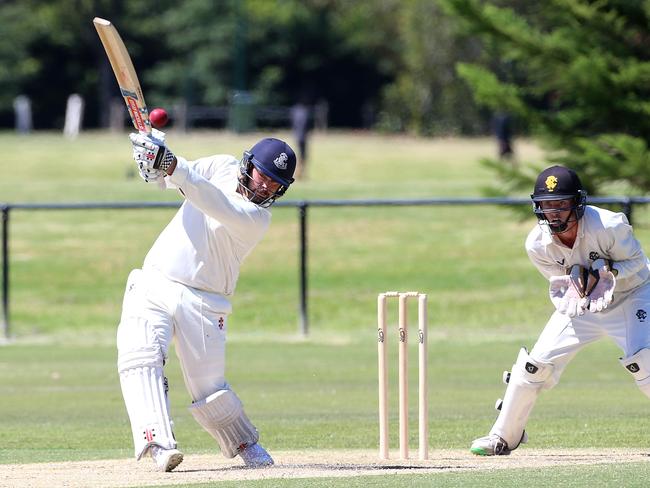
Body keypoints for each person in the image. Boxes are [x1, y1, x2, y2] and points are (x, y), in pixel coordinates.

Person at [117, 128, 296, 471]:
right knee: (139, 354)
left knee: (208, 387)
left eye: (275, 184)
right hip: (156, 279)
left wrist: (171, 164)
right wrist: (152, 160)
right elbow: (173, 180)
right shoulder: (221, 166)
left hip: (204, 301)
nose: (266, 187)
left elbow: (212, 200)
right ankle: (158, 443)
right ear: (248, 164)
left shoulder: (257, 219)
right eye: (264, 176)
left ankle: (244, 443)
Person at [471, 165, 650, 456]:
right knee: (533, 367)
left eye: (560, 204)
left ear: (577, 203)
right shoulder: (537, 244)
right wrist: (583, 285)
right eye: (546, 205)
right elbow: (563, 283)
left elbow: (639, 265)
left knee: (645, 363)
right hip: (584, 305)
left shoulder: (609, 225)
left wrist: (610, 271)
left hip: (632, 296)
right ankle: (504, 436)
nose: (553, 212)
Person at [290, 102, 311, 179]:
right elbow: (306, 126)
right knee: (303, 156)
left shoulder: (295, 112)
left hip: (297, 137)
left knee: (299, 156)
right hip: (303, 137)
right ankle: (300, 174)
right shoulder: (305, 112)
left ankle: (299, 173)